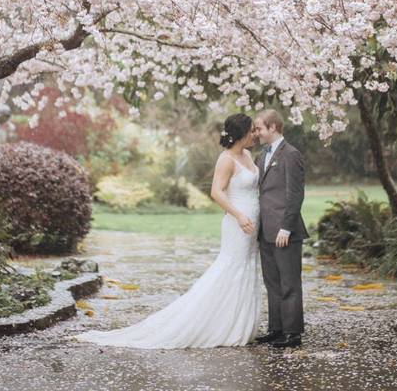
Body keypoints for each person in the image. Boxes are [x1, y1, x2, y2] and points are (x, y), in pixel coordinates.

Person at [72, 113, 263, 348]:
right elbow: (216, 192)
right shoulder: (226, 159)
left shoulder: (248, 156)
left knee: (247, 269)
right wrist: (239, 215)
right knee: (231, 269)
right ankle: (216, 325)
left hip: (253, 225)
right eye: (252, 130)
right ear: (241, 133)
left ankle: (240, 324)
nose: (256, 134)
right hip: (238, 223)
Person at [251, 108, 309, 348]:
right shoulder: (262, 155)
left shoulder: (291, 155)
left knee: (289, 283)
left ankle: (293, 333)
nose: (256, 133)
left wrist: (286, 227)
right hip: (265, 230)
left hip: (286, 231)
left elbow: (295, 194)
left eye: (259, 128)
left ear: (273, 127)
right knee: (272, 282)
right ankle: (276, 329)